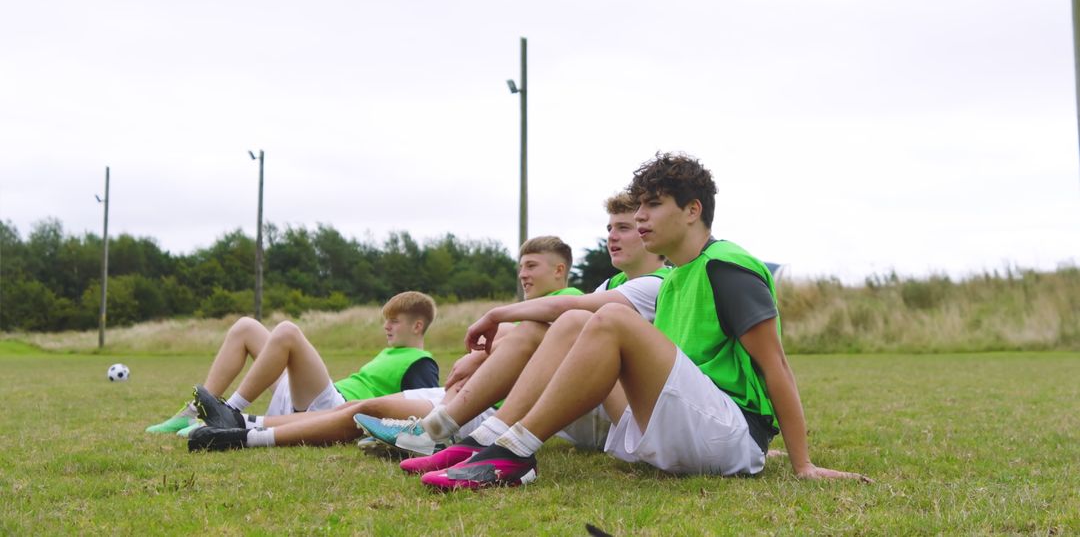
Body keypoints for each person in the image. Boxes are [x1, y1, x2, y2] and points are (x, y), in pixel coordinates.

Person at [421, 152, 871, 490]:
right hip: (679, 422)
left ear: (692, 210)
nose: (639, 218)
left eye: (652, 205)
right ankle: (491, 440)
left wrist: (802, 465)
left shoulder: (728, 267)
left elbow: (777, 366)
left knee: (610, 316)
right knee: (577, 320)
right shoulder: (673, 275)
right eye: (638, 207)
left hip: (729, 432)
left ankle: (513, 454)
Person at [356, 193, 669, 473]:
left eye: (624, 228)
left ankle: (457, 432)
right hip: (591, 408)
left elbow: (566, 309)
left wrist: (495, 316)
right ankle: (449, 431)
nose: (612, 237)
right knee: (540, 329)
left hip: (626, 416)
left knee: (557, 324)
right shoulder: (611, 285)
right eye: (609, 229)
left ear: (648, 233)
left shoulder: (659, 283)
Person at [186, 236, 582, 451]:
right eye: (521, 266)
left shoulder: (571, 305)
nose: (522, 274)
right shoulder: (530, 316)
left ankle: (244, 436)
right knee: (361, 406)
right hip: (459, 398)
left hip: (483, 410)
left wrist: (485, 349)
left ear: (559, 270)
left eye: (531, 266)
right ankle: (241, 420)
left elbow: (536, 345)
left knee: (367, 408)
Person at [148, 291, 439, 437]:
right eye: (385, 320)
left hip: (333, 412)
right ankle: (192, 412)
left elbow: (420, 416)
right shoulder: (391, 353)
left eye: (394, 321)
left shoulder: (421, 363)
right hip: (310, 403)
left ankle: (228, 413)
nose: (386, 326)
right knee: (246, 327)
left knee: (287, 331)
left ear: (417, 326)